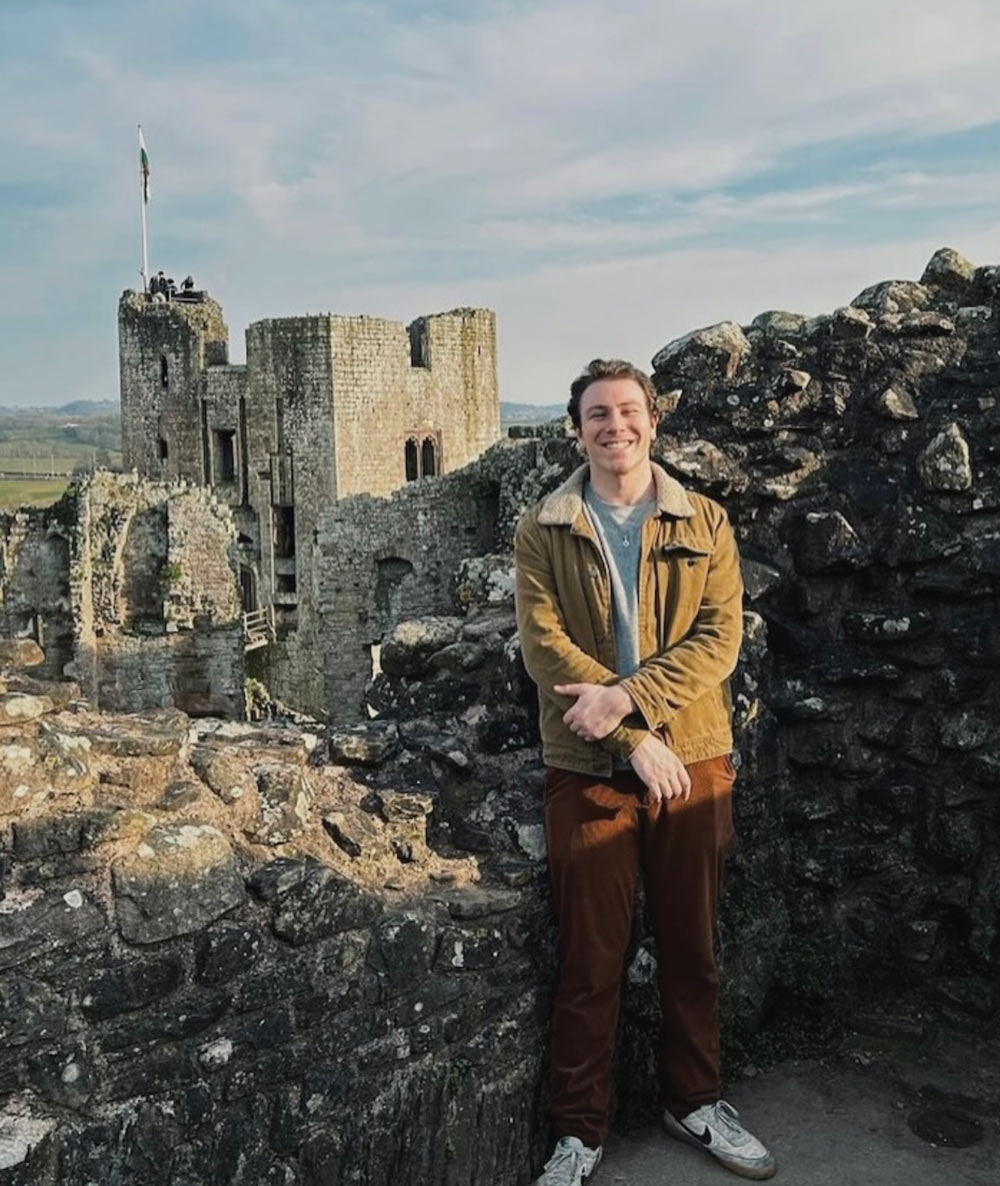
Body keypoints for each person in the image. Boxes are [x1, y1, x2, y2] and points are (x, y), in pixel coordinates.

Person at [514, 359, 775, 1184]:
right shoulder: (544, 527)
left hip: (693, 757)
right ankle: (578, 1133)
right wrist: (630, 740)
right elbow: (545, 646)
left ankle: (693, 1100)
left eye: (628, 411)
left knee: (691, 946)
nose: (613, 426)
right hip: (587, 763)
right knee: (591, 958)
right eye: (597, 414)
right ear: (576, 428)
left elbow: (716, 641)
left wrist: (628, 700)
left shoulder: (706, 522)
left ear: (652, 422)